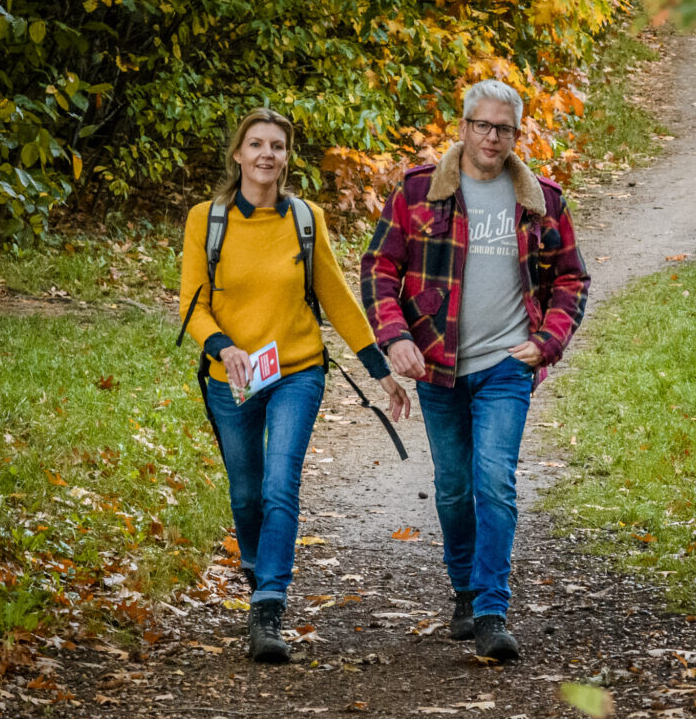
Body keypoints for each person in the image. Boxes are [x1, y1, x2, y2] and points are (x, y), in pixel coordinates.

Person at [361, 80, 588, 662]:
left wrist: (549, 341)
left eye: (505, 128)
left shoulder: (542, 200)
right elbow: (380, 267)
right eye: (483, 125)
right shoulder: (418, 192)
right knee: (455, 487)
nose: (493, 137)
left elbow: (571, 279)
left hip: (507, 365)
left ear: (517, 134)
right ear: (462, 127)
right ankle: (463, 589)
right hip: (437, 368)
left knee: (494, 480)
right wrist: (395, 338)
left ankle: (491, 609)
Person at [178, 109, 411, 664]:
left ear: (286, 157)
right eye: (255, 144)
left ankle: (268, 605)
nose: (266, 155)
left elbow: (336, 298)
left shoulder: (306, 219)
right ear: (238, 154)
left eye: (277, 146)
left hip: (297, 371)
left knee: (281, 481)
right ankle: (259, 567)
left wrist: (382, 371)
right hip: (228, 376)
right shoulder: (204, 220)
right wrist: (223, 347)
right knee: (247, 492)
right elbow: (194, 305)